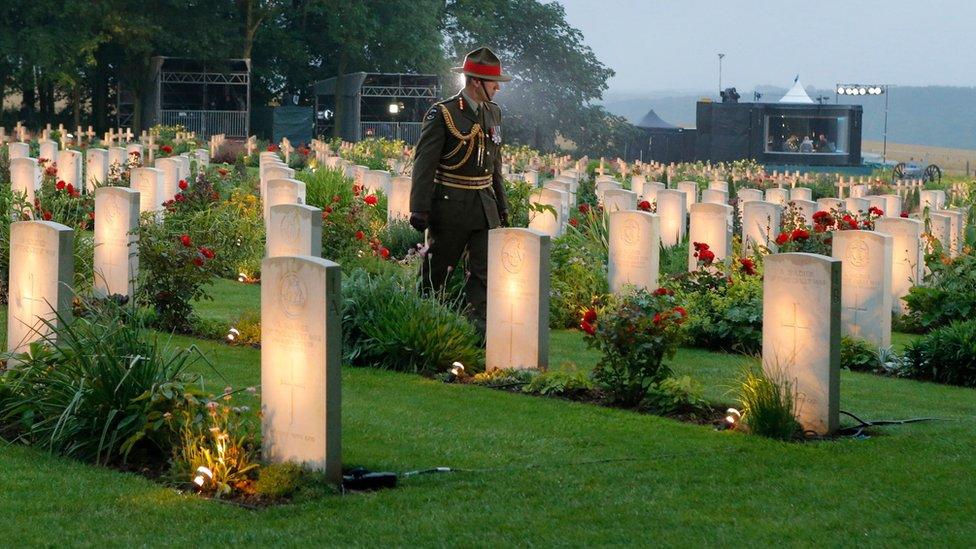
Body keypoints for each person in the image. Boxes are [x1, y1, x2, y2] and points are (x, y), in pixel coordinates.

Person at [409, 47, 511, 337]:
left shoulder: (493, 113)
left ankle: (479, 335)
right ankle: (425, 330)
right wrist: (419, 207)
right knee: (436, 272)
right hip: (449, 206)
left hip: (484, 206)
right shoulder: (444, 113)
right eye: (494, 82)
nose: (498, 88)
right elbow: (424, 163)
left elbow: (495, 166)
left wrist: (501, 205)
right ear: (476, 82)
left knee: (483, 275)